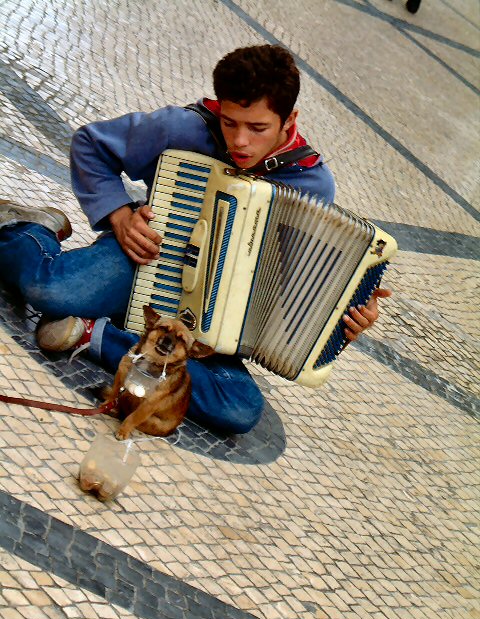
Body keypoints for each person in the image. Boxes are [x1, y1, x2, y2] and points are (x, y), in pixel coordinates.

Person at [0, 45, 391, 434]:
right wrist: (120, 216)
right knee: (47, 289)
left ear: (290, 120)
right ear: (220, 108)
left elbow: (297, 281)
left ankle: (96, 333)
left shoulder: (311, 184)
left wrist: (343, 315)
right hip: (144, 261)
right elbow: (91, 144)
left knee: (239, 409)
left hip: (208, 326)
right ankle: (28, 229)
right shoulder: (185, 129)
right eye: (230, 122)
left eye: (258, 128)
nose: (240, 141)